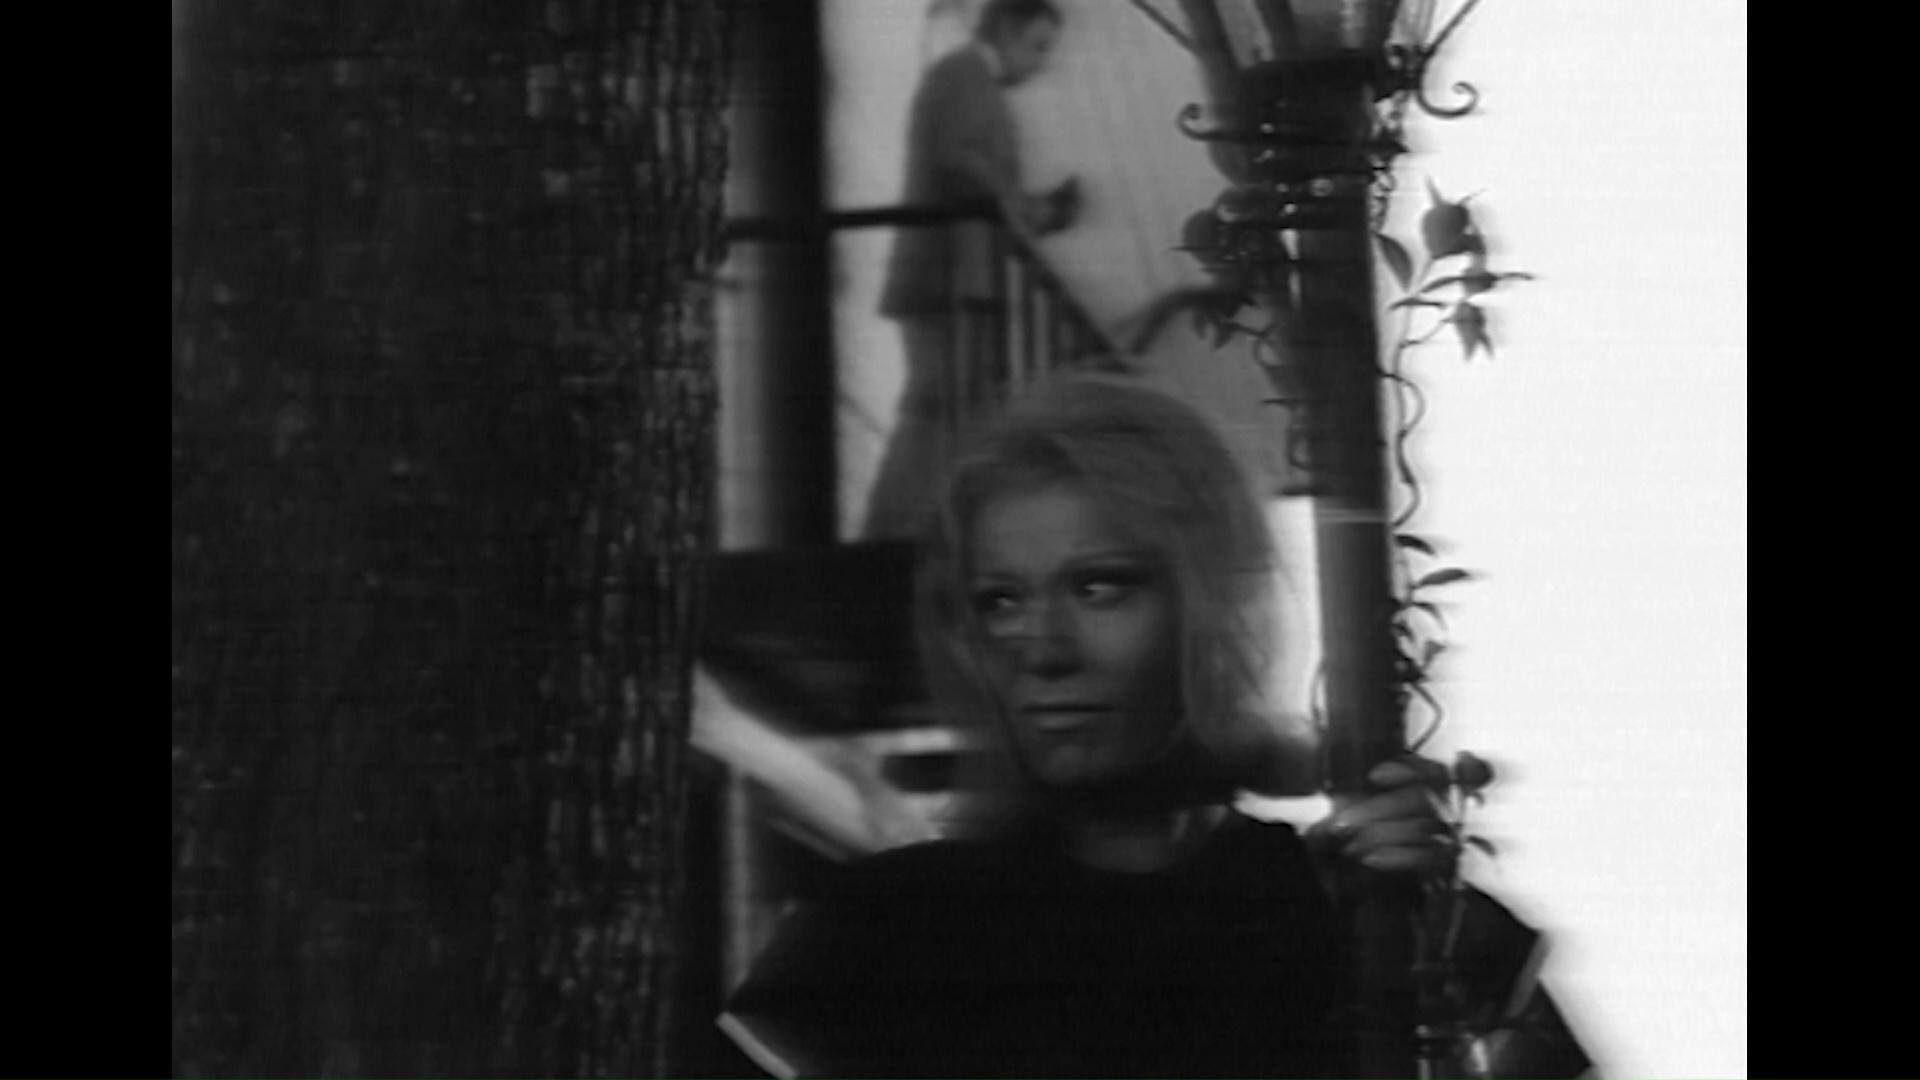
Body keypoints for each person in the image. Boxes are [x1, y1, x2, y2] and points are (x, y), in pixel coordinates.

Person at [723, 377, 1595, 1079]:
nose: (1042, 649)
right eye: (1001, 601)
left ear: (1212, 607)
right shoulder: (892, 933)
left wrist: (1418, 947)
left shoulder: (1350, 911)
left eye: (1100, 587)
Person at [864, 0, 1081, 540]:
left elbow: (973, 174)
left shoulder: (968, 81)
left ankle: (912, 531)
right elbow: (964, 165)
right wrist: (1028, 209)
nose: (1042, 61)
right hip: (943, 278)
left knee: (951, 410)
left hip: (958, 278)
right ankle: (886, 537)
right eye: (1037, 45)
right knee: (934, 409)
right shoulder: (963, 76)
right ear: (1005, 28)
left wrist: (1034, 210)